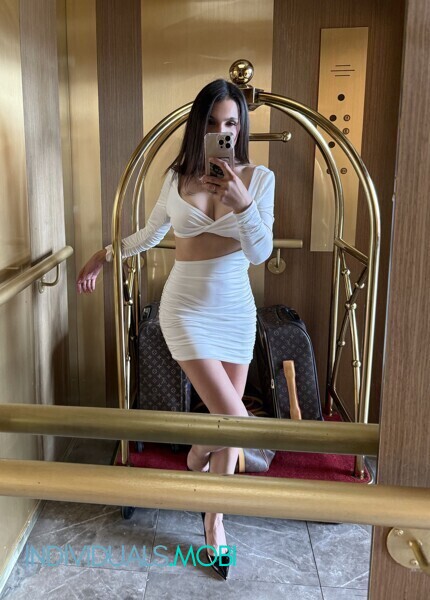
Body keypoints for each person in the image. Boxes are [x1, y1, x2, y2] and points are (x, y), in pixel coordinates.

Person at [76, 79, 275, 580]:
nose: (223, 131)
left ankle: (203, 481)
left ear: (241, 127)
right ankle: (210, 503)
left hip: (235, 312)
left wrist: (242, 204)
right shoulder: (177, 177)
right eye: (213, 123)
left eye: (231, 123)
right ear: (198, 126)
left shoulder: (259, 179)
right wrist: (105, 254)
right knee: (234, 421)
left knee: (224, 424)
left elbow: (260, 252)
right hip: (184, 310)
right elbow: (151, 234)